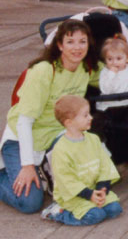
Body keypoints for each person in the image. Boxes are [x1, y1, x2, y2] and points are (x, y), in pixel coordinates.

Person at [1, 20, 98, 214]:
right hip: (23, 139)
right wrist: (28, 165)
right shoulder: (44, 71)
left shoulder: (86, 68)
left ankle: (45, 172)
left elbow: (116, 72)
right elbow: (24, 121)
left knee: (84, 184)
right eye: (70, 42)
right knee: (30, 202)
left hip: (57, 137)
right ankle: (8, 173)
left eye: (82, 41)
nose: (77, 48)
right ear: (60, 45)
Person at [40, 95, 122, 225]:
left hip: (93, 189)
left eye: (89, 114)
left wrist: (102, 189)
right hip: (74, 195)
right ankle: (58, 212)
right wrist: (89, 194)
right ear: (69, 122)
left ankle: (93, 203)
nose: (91, 117)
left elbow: (105, 165)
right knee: (95, 215)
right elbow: (67, 180)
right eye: (85, 115)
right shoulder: (61, 149)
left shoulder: (93, 139)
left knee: (114, 209)